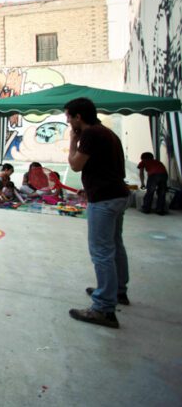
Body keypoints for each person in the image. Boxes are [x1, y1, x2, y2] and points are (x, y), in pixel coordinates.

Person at [65, 97, 129, 329]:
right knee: (115, 245)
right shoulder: (107, 133)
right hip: (117, 194)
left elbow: (75, 164)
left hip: (104, 199)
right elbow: (106, 167)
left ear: (78, 117)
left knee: (101, 251)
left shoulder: (90, 135)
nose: (68, 121)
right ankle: (117, 290)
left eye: (68, 117)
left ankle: (103, 307)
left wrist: (73, 142)